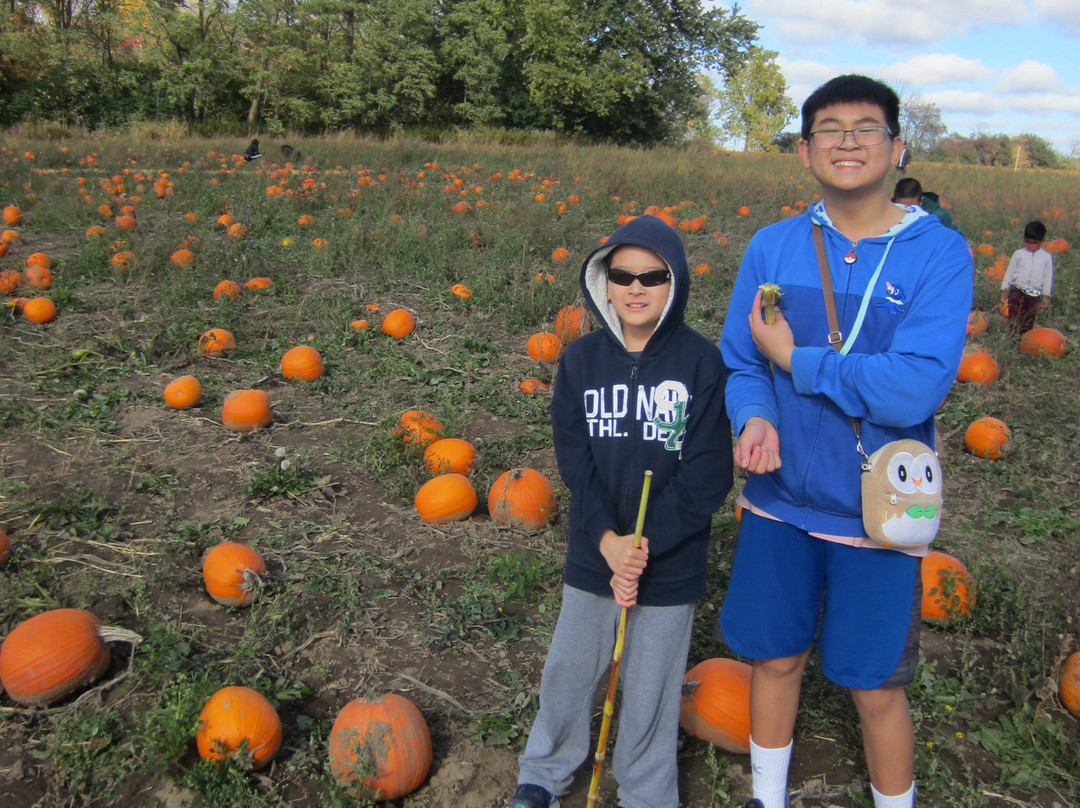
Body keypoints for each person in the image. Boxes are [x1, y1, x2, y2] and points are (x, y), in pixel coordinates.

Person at [718, 74, 971, 808]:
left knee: (875, 685)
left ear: (896, 146)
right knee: (775, 659)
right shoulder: (773, 248)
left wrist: (798, 361)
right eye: (830, 128)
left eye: (867, 126)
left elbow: (915, 386)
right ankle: (768, 798)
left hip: (880, 507)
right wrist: (755, 416)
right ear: (804, 151)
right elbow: (742, 358)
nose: (849, 139)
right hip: (779, 502)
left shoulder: (939, 254)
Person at [508, 215, 734, 808]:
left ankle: (645, 791)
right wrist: (608, 539)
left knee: (652, 688)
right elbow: (575, 460)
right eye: (623, 275)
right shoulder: (580, 361)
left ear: (675, 284)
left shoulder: (701, 364)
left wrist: (645, 543)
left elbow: (710, 472)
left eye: (653, 276)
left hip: (670, 562)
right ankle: (543, 775)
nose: (637, 287)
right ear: (603, 283)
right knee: (570, 671)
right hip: (594, 553)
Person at [1000, 220, 1054, 336]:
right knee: (1013, 316)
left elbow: (1048, 277)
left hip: (1034, 293)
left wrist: (1046, 296)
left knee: (1029, 318)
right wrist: (1004, 289)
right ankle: (1011, 338)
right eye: (1027, 241)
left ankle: (1025, 339)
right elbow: (1009, 272)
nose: (1029, 245)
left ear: (1042, 242)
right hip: (1017, 290)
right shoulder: (1018, 254)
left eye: (1034, 243)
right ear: (1023, 238)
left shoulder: (1046, 258)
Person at [891, 177, 961, 233]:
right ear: (894, 200)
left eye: (912, 208)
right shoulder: (886, 214)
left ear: (921, 201)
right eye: (901, 207)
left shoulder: (938, 218)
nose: (907, 212)